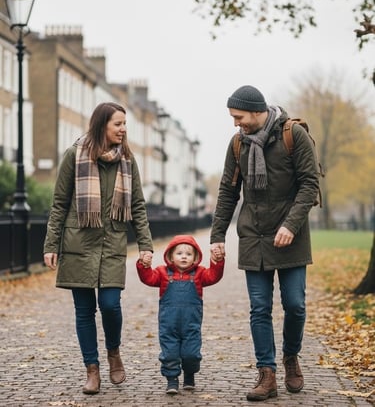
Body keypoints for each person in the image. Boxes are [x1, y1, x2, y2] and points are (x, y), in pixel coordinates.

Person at [210, 85, 320, 401]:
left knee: (295, 305)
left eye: (239, 117)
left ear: (257, 112)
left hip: (291, 237)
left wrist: (290, 225)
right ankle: (267, 373)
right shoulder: (237, 145)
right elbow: (228, 192)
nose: (236, 124)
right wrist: (218, 236)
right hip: (254, 236)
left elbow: (309, 184)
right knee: (260, 308)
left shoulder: (293, 135)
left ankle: (290, 357)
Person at [43, 102, 153, 395]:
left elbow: (138, 206)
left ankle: (113, 351)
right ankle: (92, 370)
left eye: (125, 124)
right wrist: (51, 244)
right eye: (118, 124)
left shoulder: (127, 161)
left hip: (112, 243)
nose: (123, 129)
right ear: (101, 124)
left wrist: (145, 245)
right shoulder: (73, 155)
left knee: (110, 305)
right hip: (78, 242)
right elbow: (59, 204)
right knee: (83, 311)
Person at [136, 234, 224, 394]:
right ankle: (172, 380)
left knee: (191, 354)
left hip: (191, 325)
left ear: (195, 257)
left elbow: (214, 276)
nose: (184, 256)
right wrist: (144, 265)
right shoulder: (162, 273)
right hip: (168, 325)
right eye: (179, 253)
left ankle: (189, 374)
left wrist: (217, 262)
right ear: (170, 256)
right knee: (169, 353)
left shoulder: (199, 273)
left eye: (189, 254)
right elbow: (148, 278)